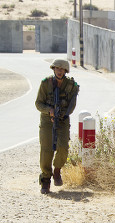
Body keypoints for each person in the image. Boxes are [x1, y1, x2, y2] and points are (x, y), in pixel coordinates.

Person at [35, 59, 79, 194]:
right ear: (53, 69)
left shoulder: (72, 85)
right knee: (46, 150)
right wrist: (50, 110)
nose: (59, 71)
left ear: (65, 71)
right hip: (47, 120)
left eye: (62, 69)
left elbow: (72, 105)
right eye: (57, 69)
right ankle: (46, 179)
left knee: (63, 147)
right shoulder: (45, 83)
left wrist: (63, 115)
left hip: (63, 119)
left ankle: (57, 170)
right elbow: (38, 103)